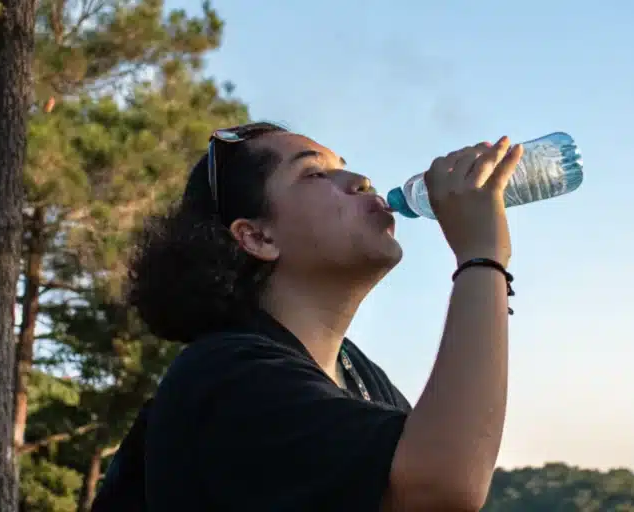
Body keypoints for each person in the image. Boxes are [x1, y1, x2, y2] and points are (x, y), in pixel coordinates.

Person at [91, 122, 524, 511]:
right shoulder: (226, 378)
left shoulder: (360, 376)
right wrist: (481, 255)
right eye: (315, 173)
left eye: (344, 168)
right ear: (257, 237)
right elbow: (439, 487)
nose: (361, 181)